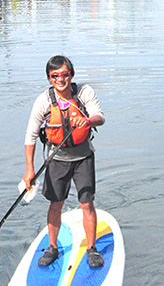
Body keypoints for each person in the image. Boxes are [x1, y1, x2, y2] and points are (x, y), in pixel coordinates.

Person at [23, 55, 106, 268]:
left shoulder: (84, 92)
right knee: (56, 203)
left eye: (64, 74)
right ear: (50, 78)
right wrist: (29, 170)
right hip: (57, 159)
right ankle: (52, 248)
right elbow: (31, 135)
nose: (61, 79)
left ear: (71, 74)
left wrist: (86, 120)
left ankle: (91, 249)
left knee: (86, 203)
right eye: (55, 76)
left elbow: (100, 117)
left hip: (83, 157)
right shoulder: (43, 101)